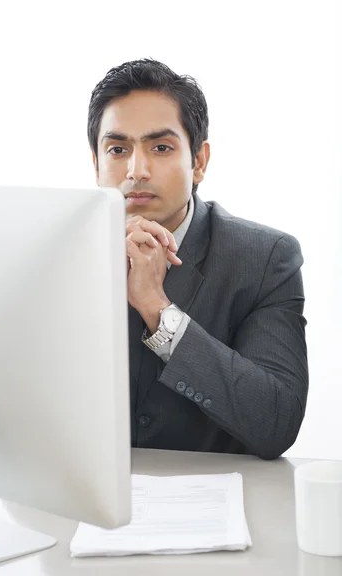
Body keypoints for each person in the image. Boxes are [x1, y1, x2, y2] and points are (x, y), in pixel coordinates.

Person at [87, 58, 308, 460]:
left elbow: (276, 423)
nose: (136, 170)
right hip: (88, 505)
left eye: (161, 147)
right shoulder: (60, 255)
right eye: (117, 149)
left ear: (199, 162)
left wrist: (157, 308)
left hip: (217, 508)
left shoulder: (264, 259)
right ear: (95, 163)